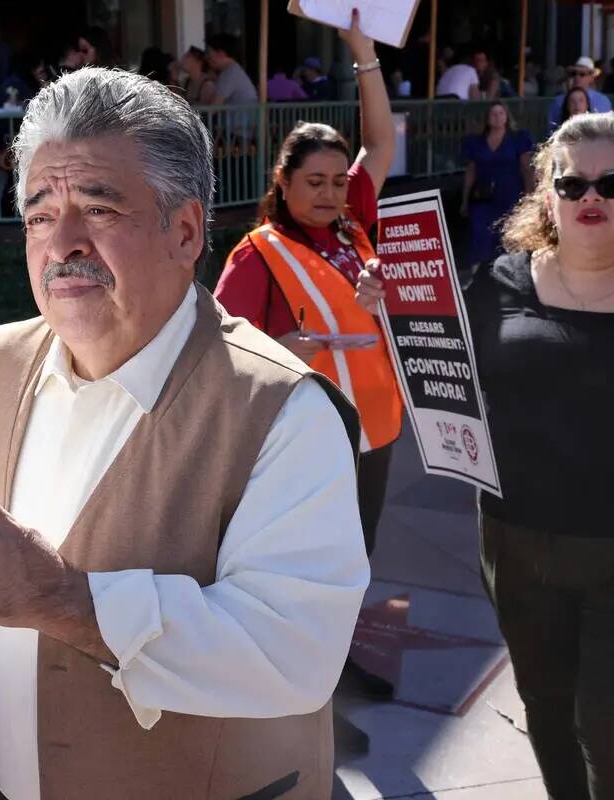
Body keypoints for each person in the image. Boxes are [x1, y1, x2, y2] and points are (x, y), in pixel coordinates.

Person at [0, 65, 368, 800]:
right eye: (40, 214)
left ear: (184, 231)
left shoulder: (282, 409)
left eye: (99, 207)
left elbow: (294, 651)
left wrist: (59, 596)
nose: (63, 243)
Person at [358, 111, 614, 799]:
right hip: (518, 544)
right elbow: (445, 385)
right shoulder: (498, 284)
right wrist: (396, 317)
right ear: (548, 196)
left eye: (611, 182)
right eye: (570, 184)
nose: (589, 198)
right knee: (547, 708)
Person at [214, 10, 401, 700]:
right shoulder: (256, 253)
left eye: (335, 180)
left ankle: (332, 663)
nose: (327, 193)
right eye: (313, 181)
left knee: (356, 554)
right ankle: (304, 677)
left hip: (376, 428)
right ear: (284, 183)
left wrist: (362, 53)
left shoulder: (354, 224)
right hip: (307, 438)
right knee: (309, 561)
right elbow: (218, 348)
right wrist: (281, 349)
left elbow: (380, 140)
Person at [460, 101, 534, 265]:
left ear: (507, 117)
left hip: (509, 193)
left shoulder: (517, 138)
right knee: (480, 233)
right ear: (487, 118)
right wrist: (464, 200)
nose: (497, 117)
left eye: (501, 113)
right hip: (483, 195)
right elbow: (470, 171)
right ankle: (478, 276)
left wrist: (530, 197)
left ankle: (504, 273)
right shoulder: (476, 141)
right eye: (493, 114)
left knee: (506, 235)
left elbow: (526, 169)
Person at [547, 56, 612, 126]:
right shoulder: (558, 101)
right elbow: (552, 129)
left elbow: (605, 128)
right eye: (574, 73)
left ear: (591, 78)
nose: (577, 77)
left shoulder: (601, 100)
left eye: (582, 74)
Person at [206, 33, 258, 106]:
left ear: (220, 53)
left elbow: (213, 107)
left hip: (241, 117)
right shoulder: (231, 71)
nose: (208, 58)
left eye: (209, 53)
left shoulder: (230, 74)